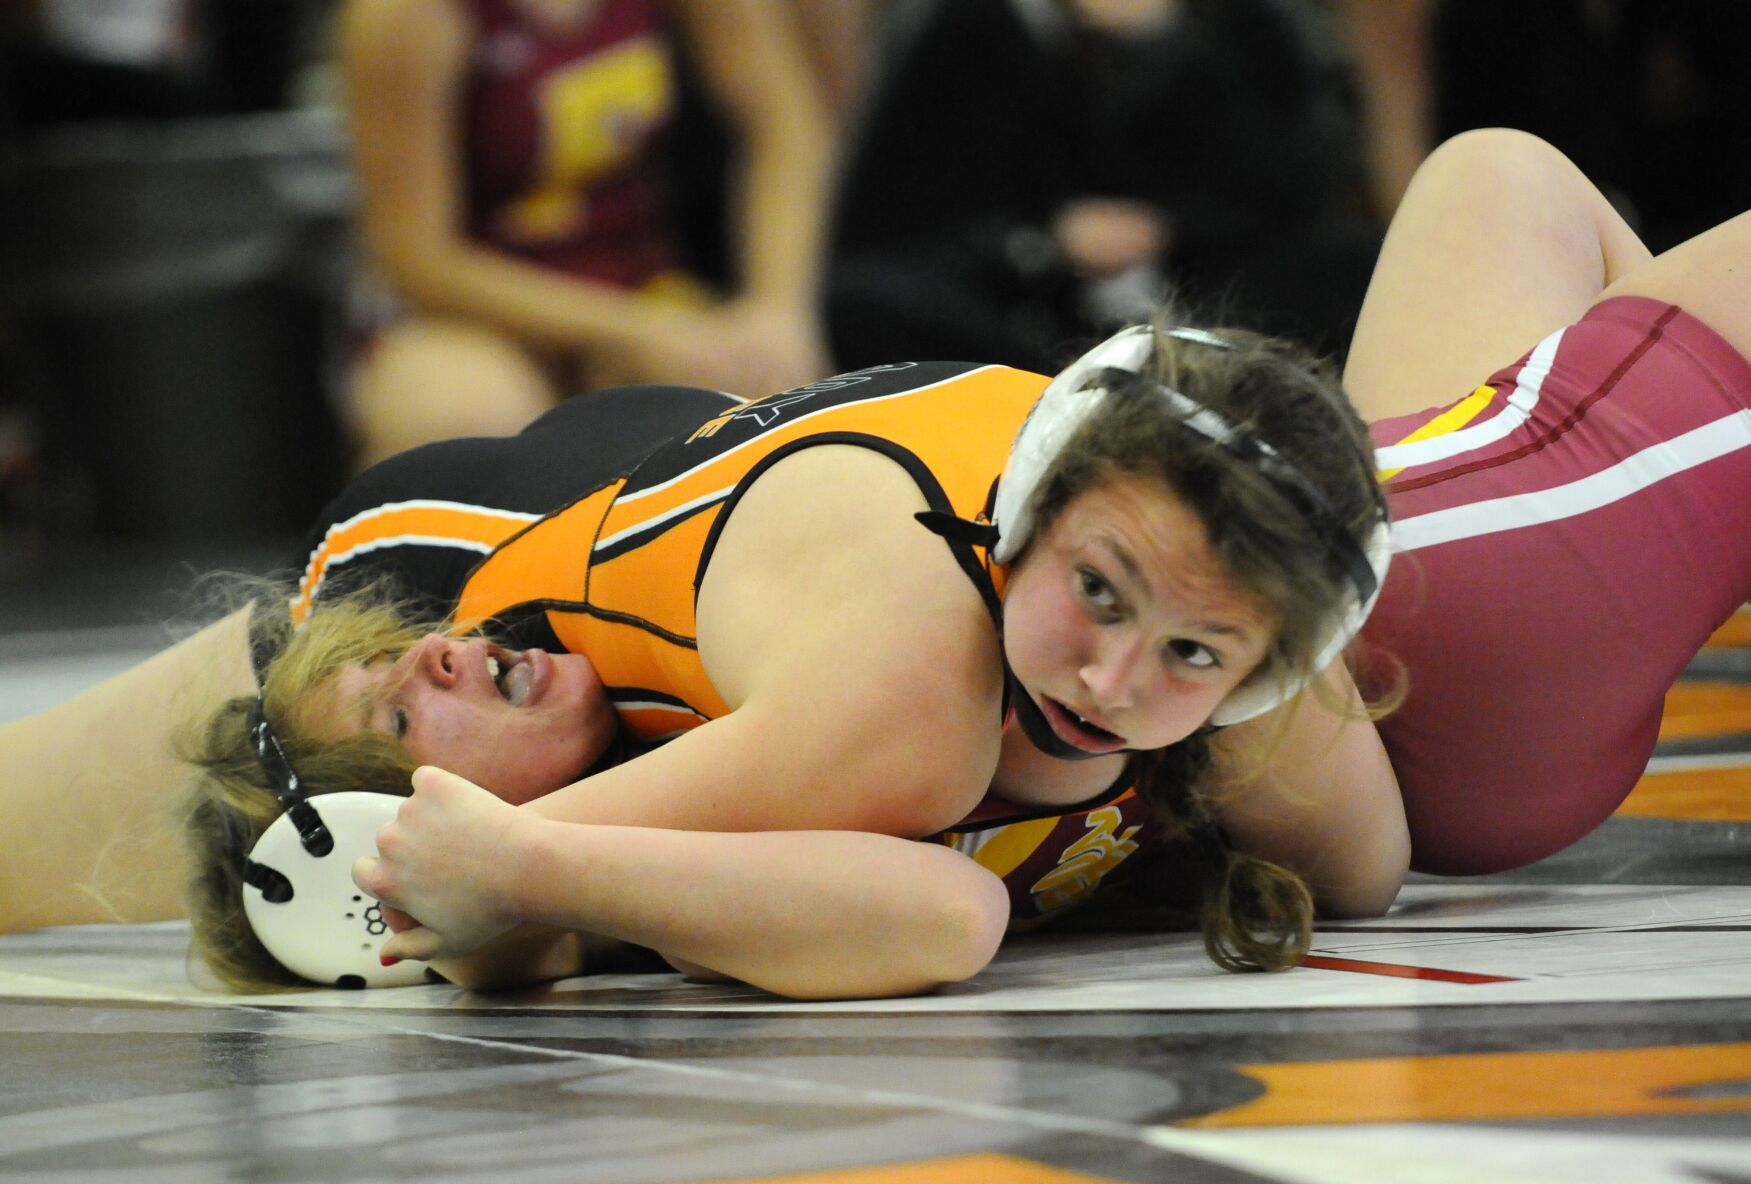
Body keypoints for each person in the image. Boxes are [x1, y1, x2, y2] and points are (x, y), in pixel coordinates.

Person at [339, 0, 834, 468]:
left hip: (639, 291)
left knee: (784, 420)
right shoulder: (408, 16)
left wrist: (779, 308)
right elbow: (418, 262)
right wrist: (640, 332)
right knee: (467, 427)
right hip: (470, 316)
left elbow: (785, 125)